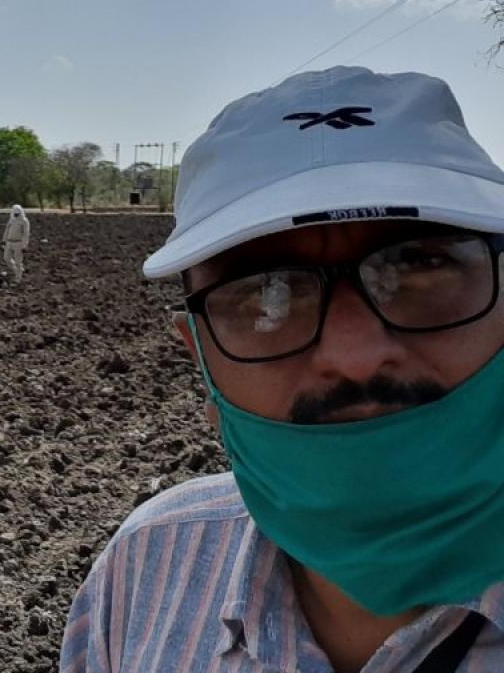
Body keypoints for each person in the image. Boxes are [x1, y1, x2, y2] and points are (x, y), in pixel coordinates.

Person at [59, 66, 504, 672]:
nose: (354, 356)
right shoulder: (144, 571)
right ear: (200, 358)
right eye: (265, 292)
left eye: (421, 263)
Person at [3, 204, 30, 283]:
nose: (16, 214)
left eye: (17, 213)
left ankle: (18, 278)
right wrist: (4, 240)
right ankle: (17, 271)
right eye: (14, 212)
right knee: (6, 258)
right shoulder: (11, 220)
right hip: (9, 242)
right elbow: (7, 230)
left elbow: (26, 234)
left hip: (18, 243)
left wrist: (24, 245)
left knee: (18, 261)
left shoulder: (24, 221)